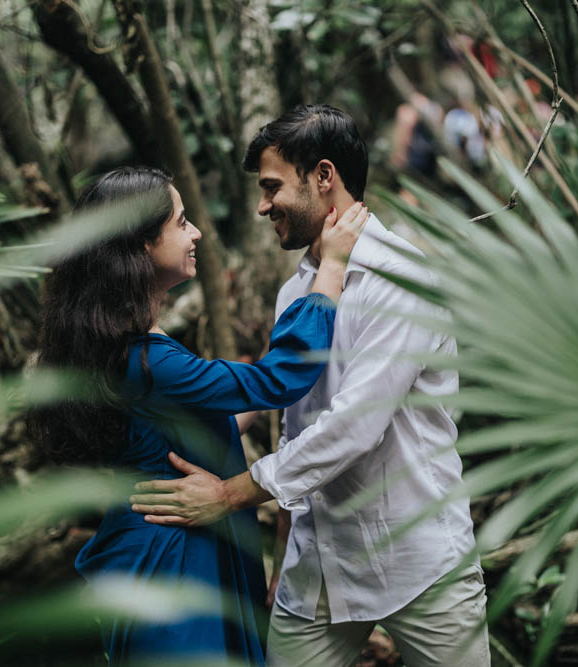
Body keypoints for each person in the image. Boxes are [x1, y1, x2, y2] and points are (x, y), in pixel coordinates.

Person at [129, 106, 490, 666]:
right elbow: (294, 419)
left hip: (418, 561)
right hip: (318, 567)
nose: (262, 204)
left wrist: (229, 494)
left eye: (272, 187)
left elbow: (355, 425)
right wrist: (284, 548)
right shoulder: (298, 292)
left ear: (324, 177)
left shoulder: (403, 277)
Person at [30, 166, 368, 665]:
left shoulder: (122, 346)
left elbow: (186, 433)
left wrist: (238, 396)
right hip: (174, 561)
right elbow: (281, 380)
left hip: (173, 541)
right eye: (182, 222)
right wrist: (333, 268)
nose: (197, 233)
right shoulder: (149, 362)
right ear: (143, 243)